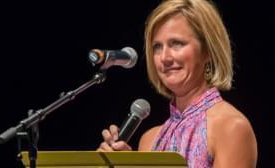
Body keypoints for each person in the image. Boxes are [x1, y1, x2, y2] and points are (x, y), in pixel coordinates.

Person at [97, 0, 257, 167]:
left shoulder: (231, 128)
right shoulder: (149, 140)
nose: (165, 57)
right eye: (157, 47)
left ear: (208, 50)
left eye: (177, 44)